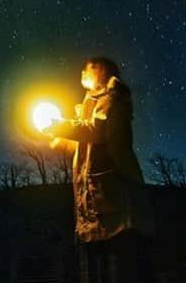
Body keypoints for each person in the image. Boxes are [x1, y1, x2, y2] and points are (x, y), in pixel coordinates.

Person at [44, 57, 154, 283]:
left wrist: (59, 125)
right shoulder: (88, 107)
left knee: (118, 271)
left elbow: (96, 130)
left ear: (102, 72)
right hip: (93, 213)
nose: (83, 70)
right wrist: (60, 139)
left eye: (90, 67)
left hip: (115, 211)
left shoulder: (113, 100)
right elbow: (85, 146)